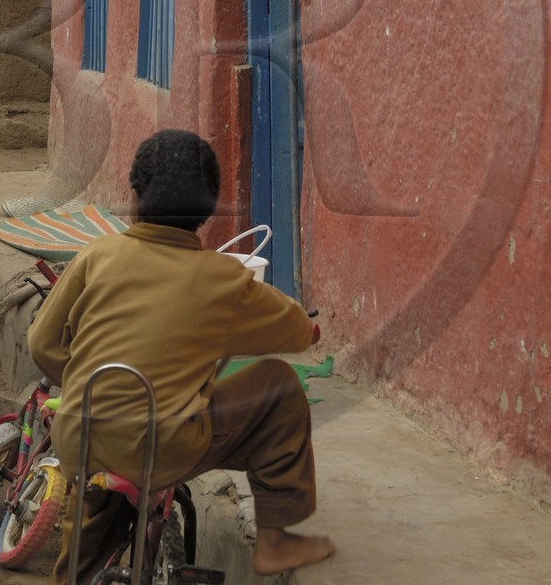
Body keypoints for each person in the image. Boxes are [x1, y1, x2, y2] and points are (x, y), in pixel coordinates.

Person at [28, 129, 336, 583]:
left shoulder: (97, 255)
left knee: (84, 536)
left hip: (81, 437)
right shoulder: (223, 278)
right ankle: (275, 542)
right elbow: (295, 332)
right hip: (166, 447)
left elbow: (42, 344)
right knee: (280, 387)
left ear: (135, 198)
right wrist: (308, 329)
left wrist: (82, 380)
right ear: (208, 212)